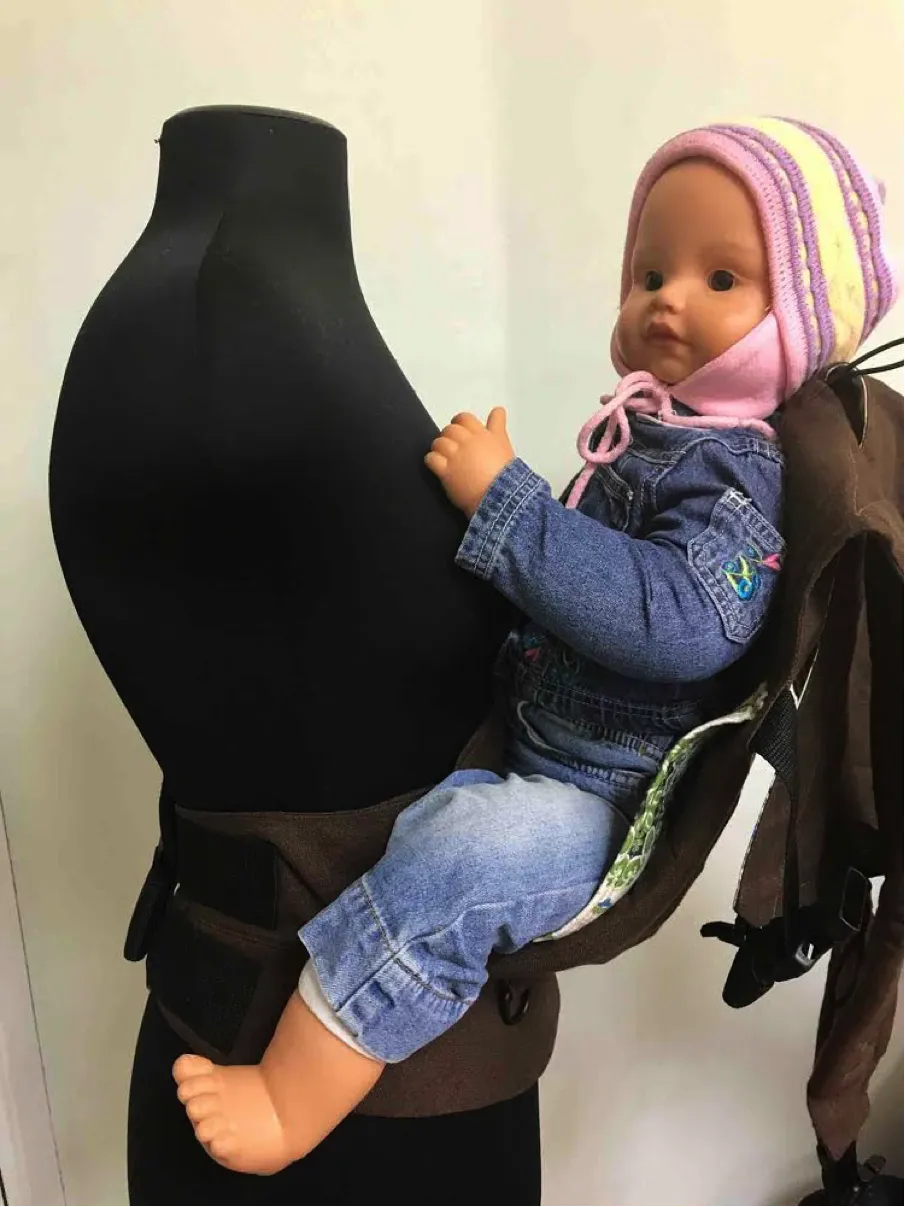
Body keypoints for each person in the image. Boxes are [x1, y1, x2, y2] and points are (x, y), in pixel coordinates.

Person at [173, 116, 899, 1176]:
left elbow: (677, 620)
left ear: (799, 315)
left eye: (718, 278)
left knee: (465, 861)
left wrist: (508, 508)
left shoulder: (738, 480)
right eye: (649, 271)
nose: (666, 298)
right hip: (530, 732)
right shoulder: (662, 434)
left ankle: (292, 1094)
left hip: (596, 805)